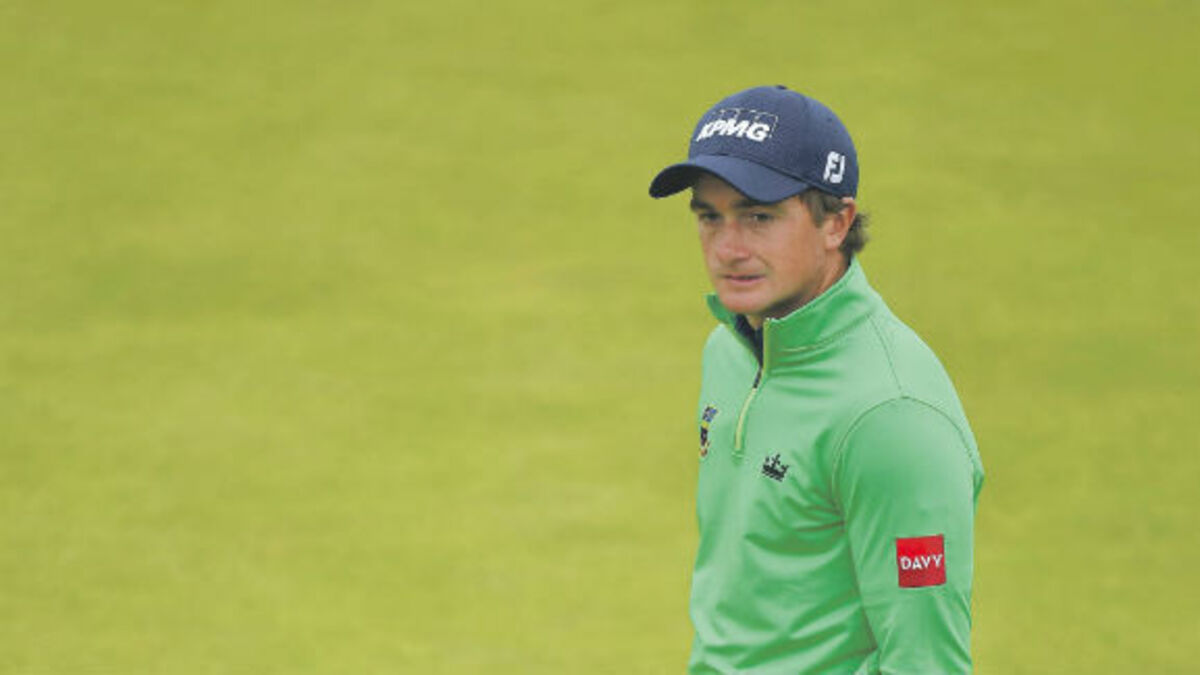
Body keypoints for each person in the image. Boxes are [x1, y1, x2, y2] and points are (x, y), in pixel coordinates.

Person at [648, 85, 985, 674]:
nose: (727, 248)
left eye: (758, 216)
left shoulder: (892, 415)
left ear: (836, 222)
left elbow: (926, 662)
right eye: (709, 217)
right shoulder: (731, 350)